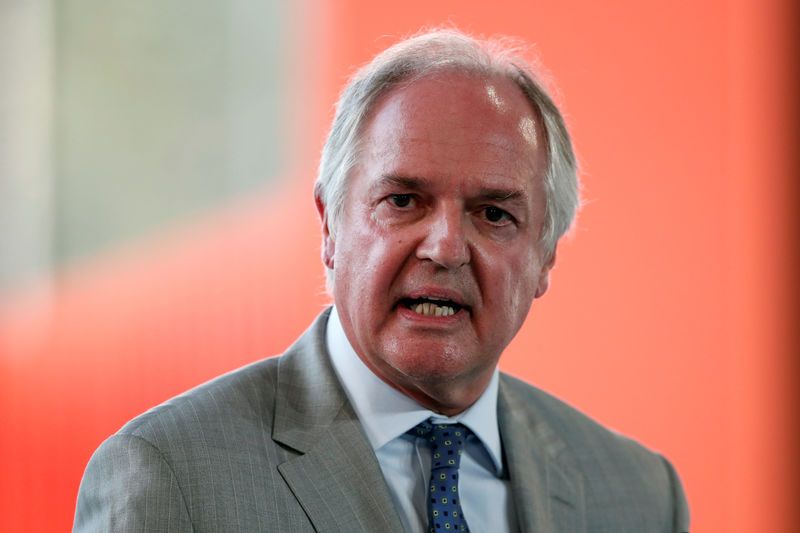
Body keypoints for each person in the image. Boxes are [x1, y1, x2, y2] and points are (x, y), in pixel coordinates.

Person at [74, 29, 690, 532]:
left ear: (546, 257)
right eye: (402, 201)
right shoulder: (169, 476)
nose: (446, 247)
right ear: (330, 228)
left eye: (494, 213)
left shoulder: (639, 496)